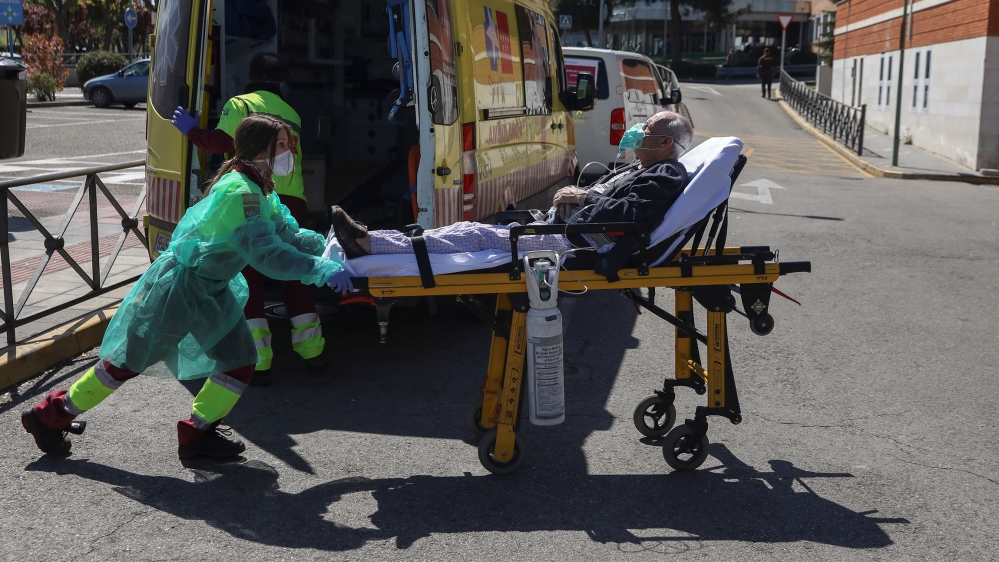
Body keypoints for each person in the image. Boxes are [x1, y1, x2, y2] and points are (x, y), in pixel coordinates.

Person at [21, 114, 353, 460]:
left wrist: (328, 245)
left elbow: (287, 233)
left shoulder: (261, 186)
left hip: (208, 290)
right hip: (180, 290)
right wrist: (319, 269)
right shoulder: (241, 192)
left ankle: (197, 433)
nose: (289, 152)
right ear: (258, 149)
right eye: (281, 145)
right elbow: (266, 254)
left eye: (288, 144)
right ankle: (48, 416)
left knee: (239, 361)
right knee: (124, 363)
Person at [330, 111, 692, 275]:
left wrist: (583, 198)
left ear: (664, 142)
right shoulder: (644, 167)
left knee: (472, 234)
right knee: (465, 231)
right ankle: (375, 239)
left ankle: (369, 246)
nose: (637, 131)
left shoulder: (666, 172)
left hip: (574, 243)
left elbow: (629, 215)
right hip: (563, 230)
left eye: (646, 128)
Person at [170, 52, 323, 387]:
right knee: (295, 273)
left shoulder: (240, 104)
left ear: (250, 77)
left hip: (256, 198)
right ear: (280, 82)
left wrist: (193, 131)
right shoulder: (291, 112)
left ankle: (261, 361)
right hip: (292, 199)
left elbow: (224, 142)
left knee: (250, 279)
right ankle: (312, 351)